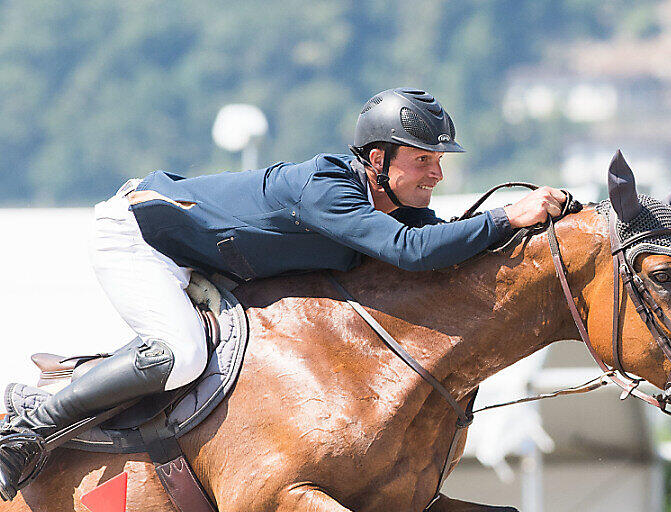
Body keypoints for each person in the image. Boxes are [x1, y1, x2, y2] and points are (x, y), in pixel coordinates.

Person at [0, 87, 567, 500]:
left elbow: (441, 250)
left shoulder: (395, 204)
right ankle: (28, 426)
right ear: (377, 159)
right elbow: (412, 253)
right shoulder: (327, 189)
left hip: (205, 261)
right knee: (183, 352)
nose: (437, 174)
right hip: (139, 237)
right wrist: (504, 217)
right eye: (423, 159)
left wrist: (539, 229)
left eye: (439, 160)